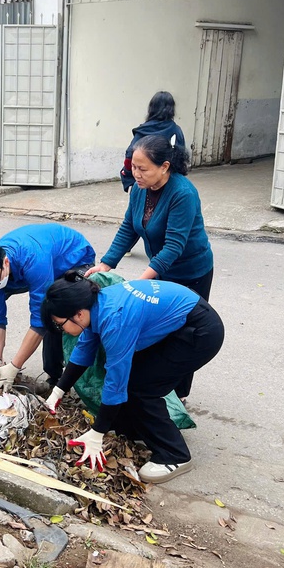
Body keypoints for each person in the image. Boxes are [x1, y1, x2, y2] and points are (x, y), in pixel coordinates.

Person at [42, 273, 224, 484]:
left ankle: (175, 455)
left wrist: (97, 432)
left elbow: (115, 382)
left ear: (78, 314)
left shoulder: (115, 319)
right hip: (182, 323)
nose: (60, 329)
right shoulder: (96, 305)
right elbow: (84, 349)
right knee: (135, 381)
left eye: (59, 324)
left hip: (200, 332)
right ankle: (135, 430)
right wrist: (58, 391)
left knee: (142, 387)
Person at [88, 134, 213, 397]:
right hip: (161, 271)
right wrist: (106, 264)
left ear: (164, 167)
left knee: (184, 335)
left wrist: (141, 280)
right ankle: (156, 390)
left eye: (142, 169)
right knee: (158, 330)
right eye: (133, 167)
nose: (136, 174)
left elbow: (174, 247)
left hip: (191, 272)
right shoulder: (139, 190)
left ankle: (179, 395)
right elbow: (128, 229)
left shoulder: (183, 193)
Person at [0, 224, 96, 391]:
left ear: (5, 262)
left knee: (54, 310)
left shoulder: (33, 259)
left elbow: (39, 321)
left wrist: (15, 366)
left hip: (74, 262)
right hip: (31, 267)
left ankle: (55, 377)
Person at [120, 91, 186, 193]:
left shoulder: (143, 130)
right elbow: (181, 160)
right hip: (169, 184)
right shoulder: (176, 131)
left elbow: (129, 156)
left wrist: (129, 178)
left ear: (151, 108)